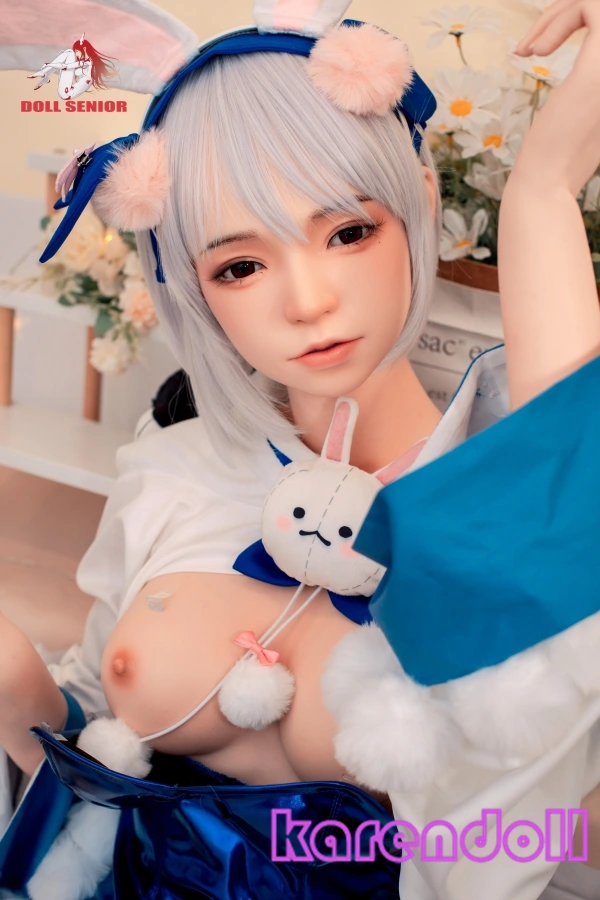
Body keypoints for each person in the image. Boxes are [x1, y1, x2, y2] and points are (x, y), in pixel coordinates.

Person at [1, 0, 600, 898]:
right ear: (195, 287)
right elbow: (88, 752)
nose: (308, 301)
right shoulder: (172, 463)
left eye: (349, 232)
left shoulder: (498, 503)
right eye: (239, 265)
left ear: (420, 201)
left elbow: (564, 463)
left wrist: (544, 185)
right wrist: (16, 683)